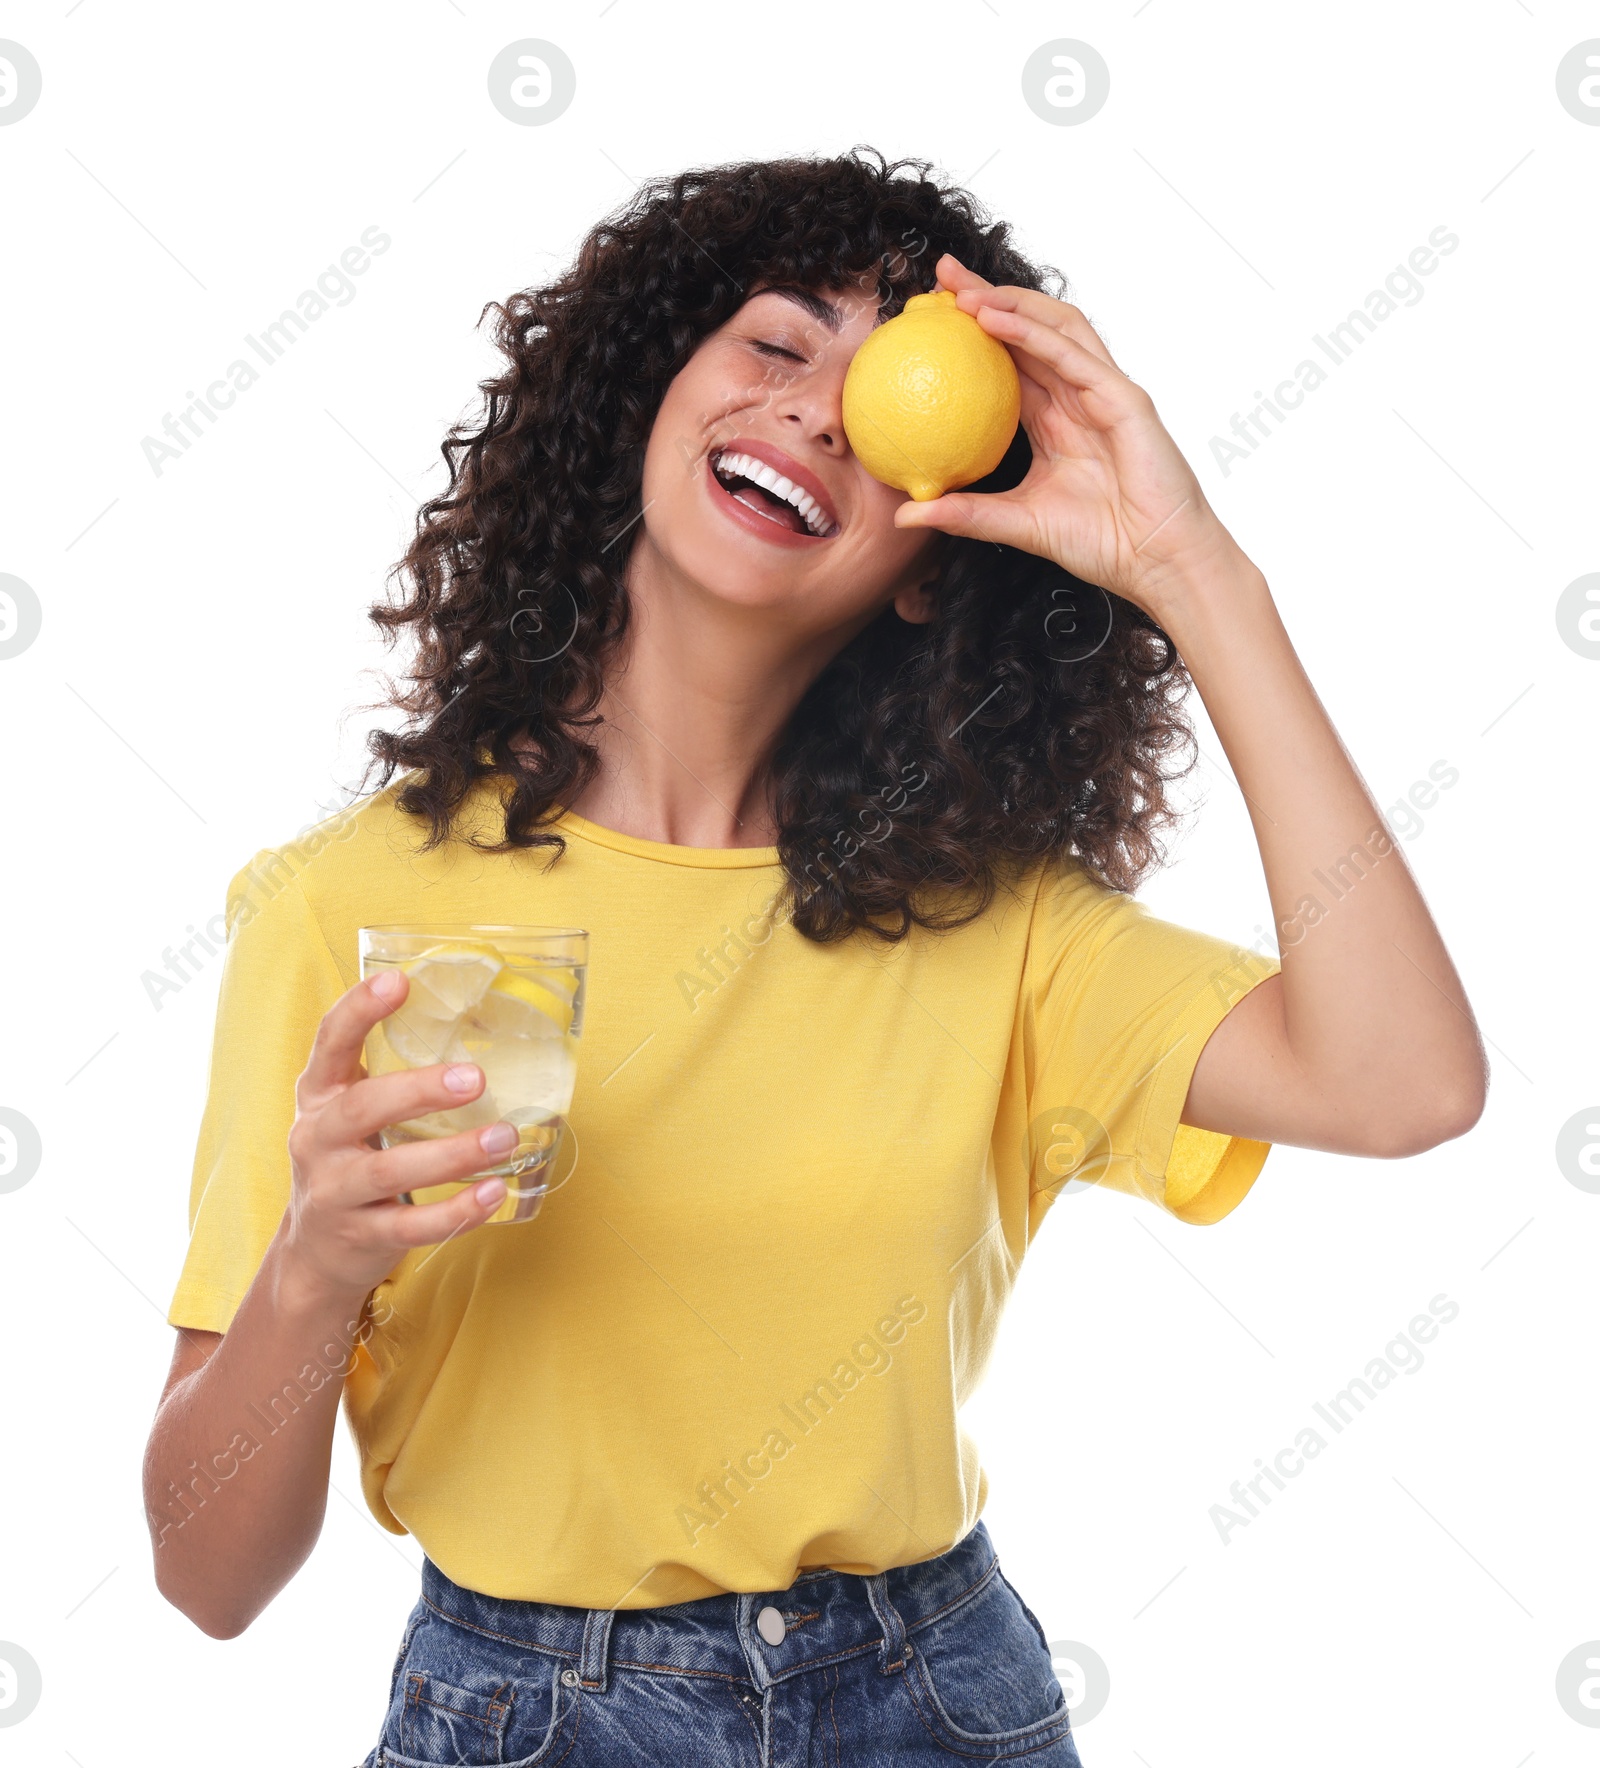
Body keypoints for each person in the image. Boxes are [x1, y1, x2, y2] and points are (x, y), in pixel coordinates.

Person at [142, 149, 1486, 1766]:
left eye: (891, 399)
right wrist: (313, 1273)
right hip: (526, 1714)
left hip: (933, 1697)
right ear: (649, 396)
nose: (818, 411)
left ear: (930, 573)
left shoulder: (995, 927)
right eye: (777, 345)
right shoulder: (347, 908)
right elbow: (207, 1582)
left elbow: (1406, 1083)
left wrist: (1197, 575)